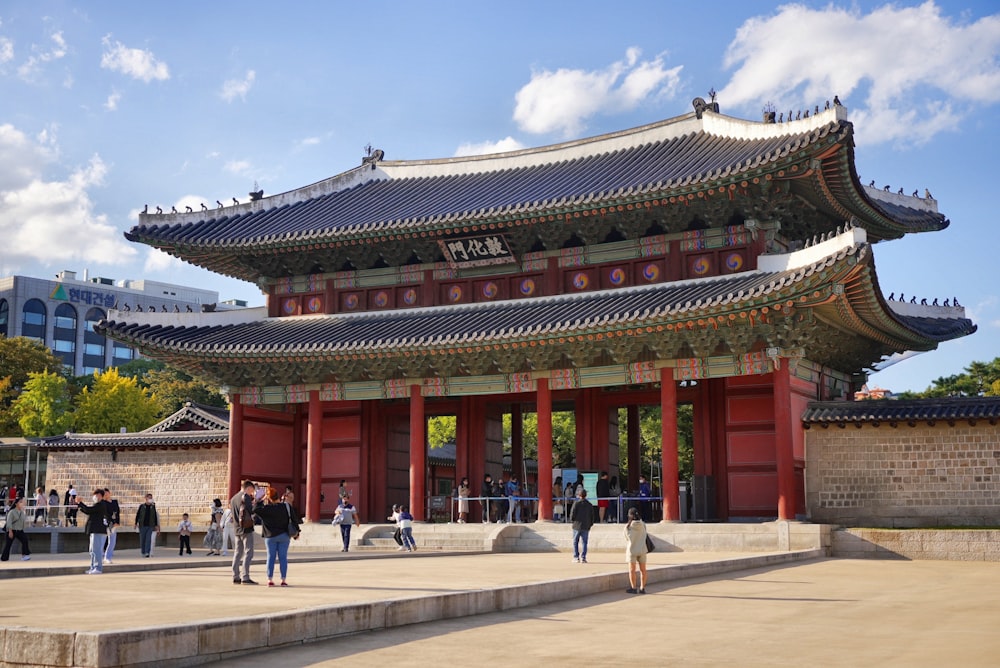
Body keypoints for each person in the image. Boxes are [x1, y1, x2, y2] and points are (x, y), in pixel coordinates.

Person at [252, 485, 301, 586]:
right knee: (283, 557)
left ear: (269, 498)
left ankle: (270, 579)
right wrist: (297, 532)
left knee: (271, 557)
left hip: (270, 536)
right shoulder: (286, 507)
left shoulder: (266, 509)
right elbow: (294, 519)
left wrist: (260, 499)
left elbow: (255, 509)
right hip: (284, 535)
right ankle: (283, 579)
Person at [230, 480, 257, 585]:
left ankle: (235, 576)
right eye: (252, 490)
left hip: (237, 529)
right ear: (248, 488)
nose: (252, 493)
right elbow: (251, 511)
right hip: (246, 528)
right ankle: (245, 576)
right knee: (248, 552)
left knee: (237, 553)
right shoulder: (245, 497)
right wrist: (256, 502)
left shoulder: (233, 499)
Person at [77, 489, 110, 574]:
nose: (96, 497)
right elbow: (88, 511)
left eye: (98, 495)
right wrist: (79, 505)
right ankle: (92, 567)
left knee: (96, 550)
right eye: (95, 495)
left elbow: (89, 510)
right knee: (92, 550)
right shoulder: (97, 505)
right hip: (93, 530)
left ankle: (98, 567)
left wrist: (80, 503)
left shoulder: (101, 505)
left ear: (102, 497)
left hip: (98, 530)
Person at [624, 507, 649, 594]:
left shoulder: (627, 527)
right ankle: (642, 588)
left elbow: (626, 538)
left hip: (632, 550)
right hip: (642, 549)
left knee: (632, 570)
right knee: (643, 570)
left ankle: (633, 587)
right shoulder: (643, 525)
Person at [1, 496, 31, 561]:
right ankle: (4, 558)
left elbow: (23, 521)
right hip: (11, 530)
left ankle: (24, 555)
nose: (22, 504)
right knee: (8, 544)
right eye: (20, 502)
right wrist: (10, 531)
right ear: (16, 504)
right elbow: (9, 522)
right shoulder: (12, 512)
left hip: (19, 530)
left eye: (22, 502)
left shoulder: (22, 512)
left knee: (25, 540)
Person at [569, 488, 594, 564]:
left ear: (579, 495)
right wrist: (590, 524)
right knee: (584, 542)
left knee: (575, 541)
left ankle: (576, 557)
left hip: (577, 525)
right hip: (586, 525)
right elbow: (592, 516)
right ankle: (583, 557)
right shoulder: (589, 505)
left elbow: (572, 514)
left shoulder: (576, 503)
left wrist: (572, 521)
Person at [134, 493, 160, 558]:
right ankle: (143, 551)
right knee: (143, 539)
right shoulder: (142, 506)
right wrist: (135, 523)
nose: (150, 499)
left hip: (150, 525)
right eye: (149, 498)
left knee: (148, 539)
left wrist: (156, 525)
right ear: (146, 498)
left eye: (151, 498)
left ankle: (147, 552)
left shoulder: (153, 506)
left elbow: (155, 516)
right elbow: (138, 515)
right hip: (142, 525)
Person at [103, 488, 121, 564]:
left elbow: (117, 512)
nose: (106, 495)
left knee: (112, 541)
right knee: (103, 540)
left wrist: (117, 522)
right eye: (104, 494)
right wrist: (112, 522)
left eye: (107, 493)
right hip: (106, 522)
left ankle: (108, 557)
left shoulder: (114, 502)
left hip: (114, 523)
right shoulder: (103, 503)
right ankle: (102, 556)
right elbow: (106, 514)